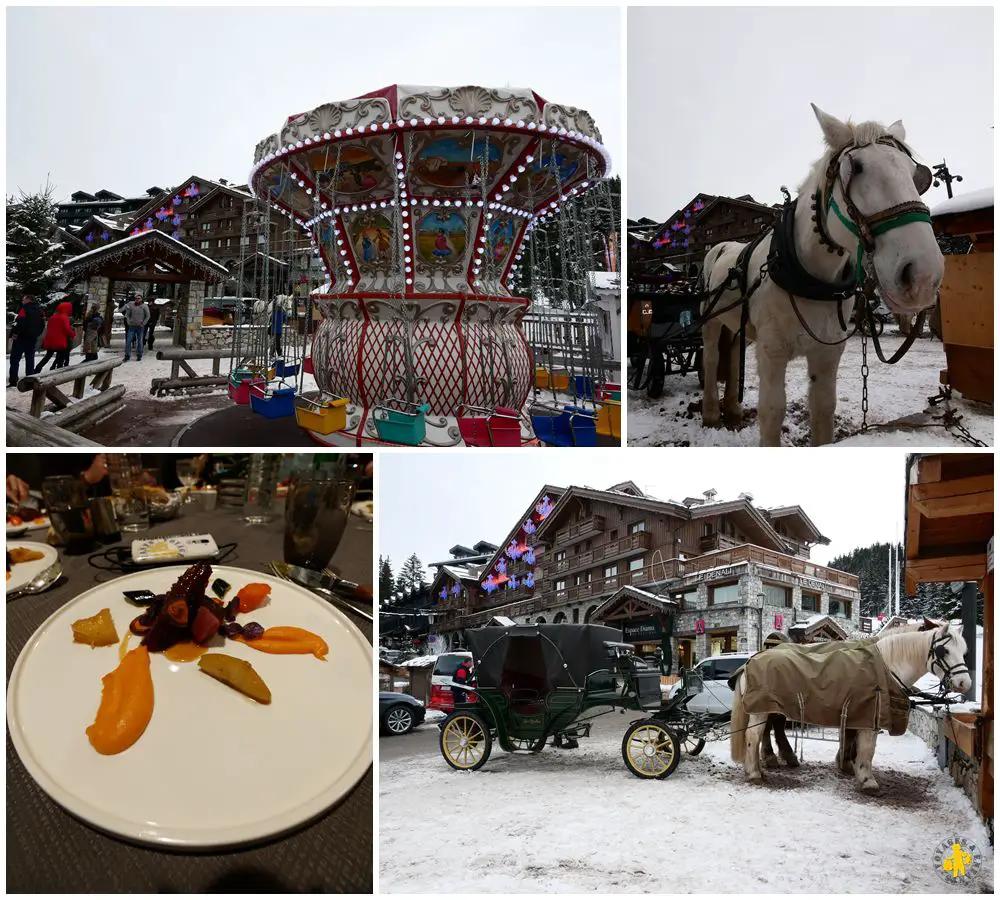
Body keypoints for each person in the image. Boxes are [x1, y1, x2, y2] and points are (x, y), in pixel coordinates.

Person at [8, 295, 45, 387]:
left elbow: (19, 323)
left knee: (15, 359)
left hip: (21, 338)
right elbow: (42, 325)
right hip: (32, 339)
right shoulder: (39, 311)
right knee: (30, 358)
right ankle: (30, 378)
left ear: (28, 300)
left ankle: (13, 380)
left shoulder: (24, 309)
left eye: (23, 299)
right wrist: (37, 334)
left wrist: (15, 334)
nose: (22, 301)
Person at [35, 301, 76, 372]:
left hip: (50, 340)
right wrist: (73, 334)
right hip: (60, 342)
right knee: (60, 357)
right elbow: (67, 330)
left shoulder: (53, 317)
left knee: (48, 356)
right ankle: (58, 372)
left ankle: (37, 368)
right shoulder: (64, 317)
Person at [123, 295, 150, 361]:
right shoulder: (132, 306)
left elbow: (148, 316)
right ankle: (127, 355)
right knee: (128, 341)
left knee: (140, 341)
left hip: (140, 327)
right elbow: (128, 315)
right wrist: (129, 322)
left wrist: (143, 323)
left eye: (138, 298)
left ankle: (139, 355)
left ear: (141, 299)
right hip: (132, 326)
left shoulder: (144, 306)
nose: (137, 299)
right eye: (136, 298)